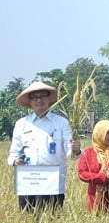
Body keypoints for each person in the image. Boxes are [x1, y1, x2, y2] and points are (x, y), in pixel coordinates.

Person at [7, 81, 81, 211]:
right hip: (28, 182)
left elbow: (71, 153)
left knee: (53, 222)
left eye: (43, 96)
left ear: (49, 99)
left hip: (53, 182)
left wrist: (76, 150)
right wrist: (15, 161)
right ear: (30, 101)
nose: (39, 100)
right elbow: (13, 153)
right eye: (35, 97)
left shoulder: (62, 123)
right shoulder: (21, 124)